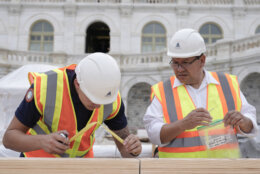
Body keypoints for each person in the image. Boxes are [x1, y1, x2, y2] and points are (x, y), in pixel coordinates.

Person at [143, 28, 258, 158]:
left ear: (202, 60)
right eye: (175, 63)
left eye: (185, 63)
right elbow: (153, 134)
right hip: (178, 170)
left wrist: (244, 121)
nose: (179, 69)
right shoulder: (163, 91)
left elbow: (250, 125)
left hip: (224, 169)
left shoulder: (227, 84)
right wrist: (183, 124)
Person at [3, 52, 142, 158]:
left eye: (102, 101)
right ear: (77, 84)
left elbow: (126, 149)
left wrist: (133, 149)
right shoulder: (45, 88)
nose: (99, 106)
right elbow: (9, 138)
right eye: (93, 98)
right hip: (37, 165)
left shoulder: (110, 98)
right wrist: (42, 141)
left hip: (78, 167)